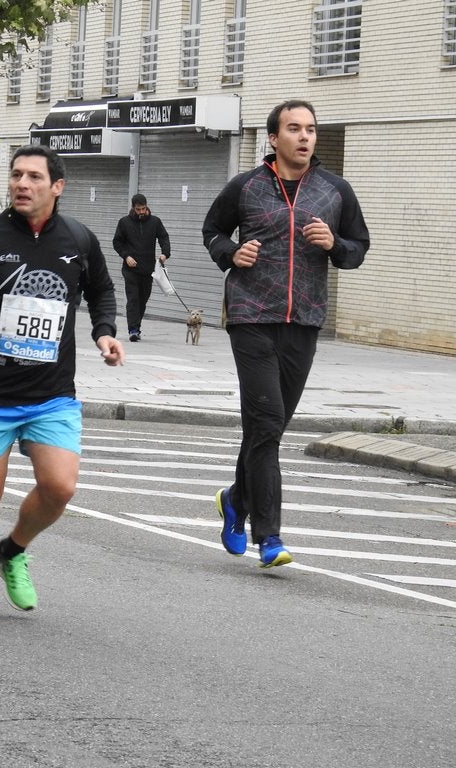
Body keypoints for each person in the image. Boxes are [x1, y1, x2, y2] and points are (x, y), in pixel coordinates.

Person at [0, 144, 124, 618]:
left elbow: (101, 289)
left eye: (34, 177)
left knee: (60, 488)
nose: (21, 184)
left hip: (51, 394)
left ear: (57, 187)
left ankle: (11, 550)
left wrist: (105, 333)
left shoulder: (79, 239)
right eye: (16, 175)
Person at [202, 99, 369, 567]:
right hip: (251, 316)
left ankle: (236, 499)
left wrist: (335, 244)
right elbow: (212, 229)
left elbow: (358, 249)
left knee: (266, 428)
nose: (304, 136)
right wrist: (231, 255)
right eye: (293, 128)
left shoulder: (335, 191)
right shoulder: (247, 186)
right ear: (273, 138)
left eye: (310, 129)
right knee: (268, 421)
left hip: (305, 320)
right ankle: (269, 537)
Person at [111, 193, 171, 342]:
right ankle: (133, 329)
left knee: (143, 299)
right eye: (138, 209)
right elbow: (117, 242)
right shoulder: (124, 222)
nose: (141, 212)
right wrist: (126, 256)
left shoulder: (155, 222)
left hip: (148, 269)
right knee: (133, 299)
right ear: (133, 208)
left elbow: (164, 237)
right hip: (130, 269)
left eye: (143, 208)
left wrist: (165, 254)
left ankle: (136, 327)